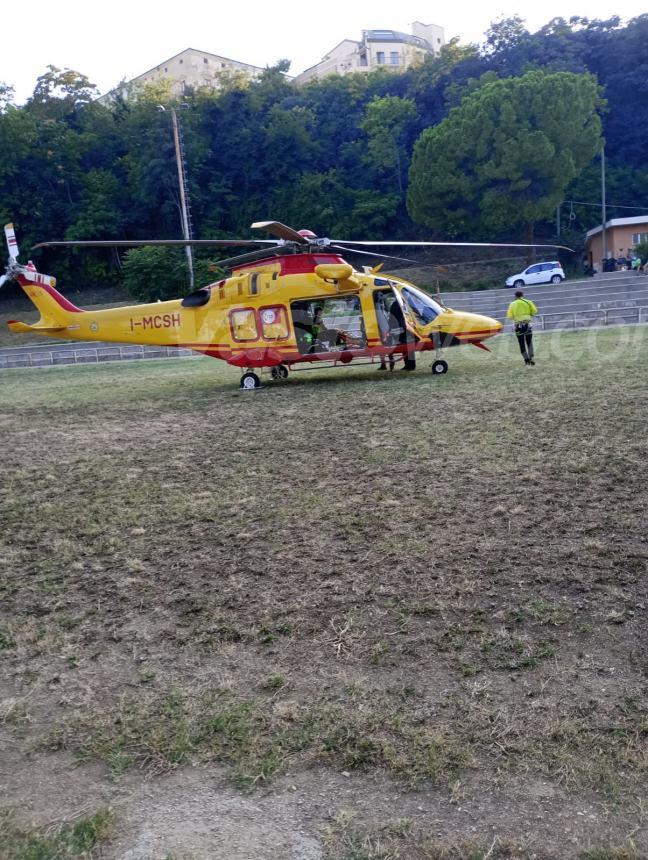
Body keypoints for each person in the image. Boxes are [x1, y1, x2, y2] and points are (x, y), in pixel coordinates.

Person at [506, 290, 538, 366]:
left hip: (518, 325)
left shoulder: (512, 304)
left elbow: (509, 316)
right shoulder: (528, 302)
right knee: (529, 342)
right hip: (527, 324)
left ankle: (526, 360)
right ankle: (531, 359)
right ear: (522, 295)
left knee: (521, 343)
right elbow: (535, 311)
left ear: (515, 296)